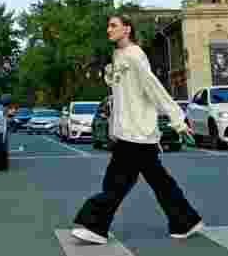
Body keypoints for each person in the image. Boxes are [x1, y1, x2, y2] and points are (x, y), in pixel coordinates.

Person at [71, 14, 203, 245]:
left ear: (127, 29)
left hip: (138, 132)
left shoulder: (135, 55)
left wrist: (177, 120)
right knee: (159, 181)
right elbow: (121, 96)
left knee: (115, 183)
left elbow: (154, 88)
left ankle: (96, 226)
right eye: (108, 25)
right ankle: (186, 220)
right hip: (129, 132)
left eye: (113, 26)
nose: (109, 30)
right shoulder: (118, 55)